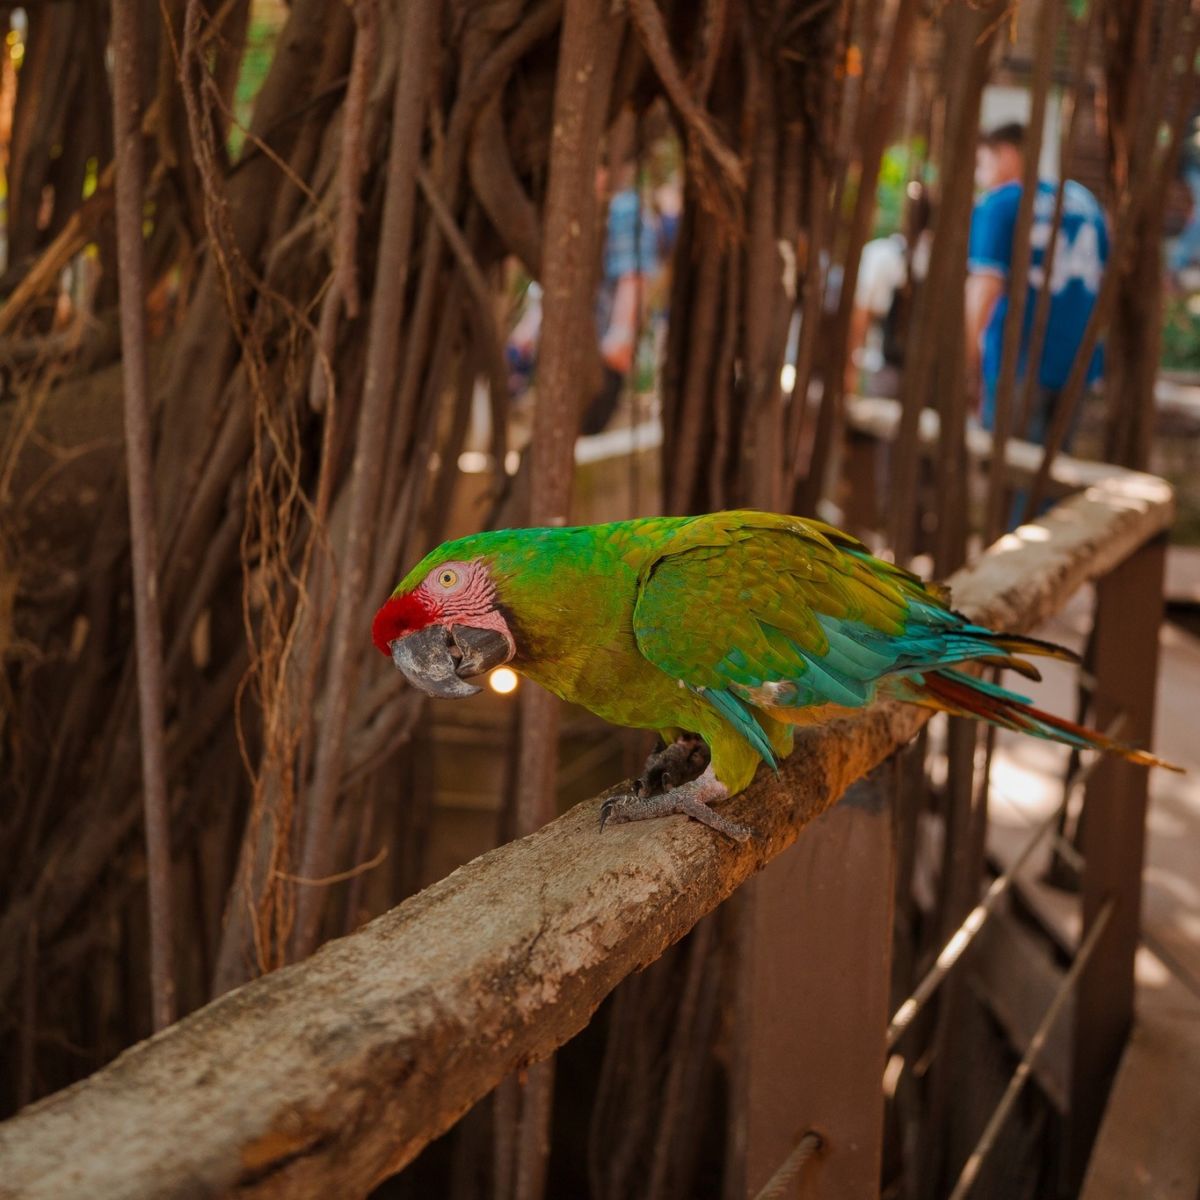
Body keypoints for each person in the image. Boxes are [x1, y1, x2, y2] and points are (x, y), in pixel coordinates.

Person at [966, 122, 1107, 448]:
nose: (979, 176)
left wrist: (970, 365)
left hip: (1017, 362)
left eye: (982, 163)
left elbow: (983, 290)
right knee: (1051, 474)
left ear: (1007, 155)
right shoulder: (1085, 203)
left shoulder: (1001, 204)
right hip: (1075, 365)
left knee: (1009, 474)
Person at [845, 182, 933, 398]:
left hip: (882, 373)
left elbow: (861, 316)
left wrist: (849, 368)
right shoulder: (944, 266)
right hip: (927, 382)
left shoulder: (881, 255)